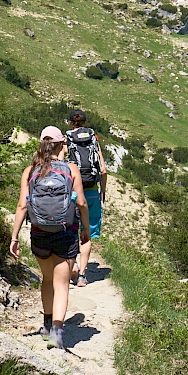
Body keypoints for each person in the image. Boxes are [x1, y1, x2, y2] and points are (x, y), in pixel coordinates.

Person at [10, 125, 90, 351]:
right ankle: (56, 332)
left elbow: (22, 205)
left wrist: (14, 236)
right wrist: (85, 229)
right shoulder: (71, 169)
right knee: (62, 284)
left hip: (39, 232)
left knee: (47, 279)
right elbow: (82, 203)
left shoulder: (30, 170)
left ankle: (46, 325)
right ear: (61, 145)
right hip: (66, 231)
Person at [65, 109, 107, 288]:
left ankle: (71, 269)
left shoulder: (68, 140)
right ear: (85, 122)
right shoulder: (93, 139)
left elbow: (61, 165)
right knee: (86, 235)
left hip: (74, 193)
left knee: (71, 232)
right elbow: (103, 170)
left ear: (70, 123)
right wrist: (102, 190)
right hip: (92, 192)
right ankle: (82, 275)